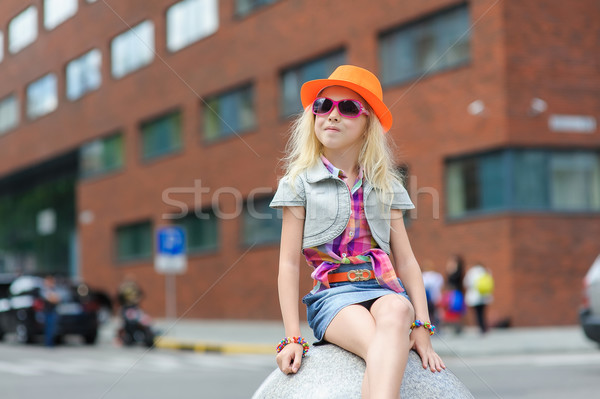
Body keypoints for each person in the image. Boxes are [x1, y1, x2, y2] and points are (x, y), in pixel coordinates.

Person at [270, 65, 445, 398]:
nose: (332, 115)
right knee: (381, 349)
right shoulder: (298, 183)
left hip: (383, 288)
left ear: (367, 125)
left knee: (398, 311)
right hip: (332, 297)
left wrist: (422, 327)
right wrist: (292, 337)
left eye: (348, 108)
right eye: (324, 106)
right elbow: (288, 265)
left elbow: (406, 261)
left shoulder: (385, 184)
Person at [463, 263, 494, 334]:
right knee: (483, 313)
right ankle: (484, 327)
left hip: (474, 297)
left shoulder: (471, 272)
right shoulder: (486, 271)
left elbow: (466, 283)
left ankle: (481, 328)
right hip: (484, 296)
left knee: (478, 313)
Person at [421, 260, 444, 329]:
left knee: (429, 313)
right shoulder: (437, 276)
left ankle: (429, 326)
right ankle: (437, 327)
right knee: (436, 313)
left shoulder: (422, 276)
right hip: (435, 297)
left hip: (426, 299)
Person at [41, 275, 61, 347]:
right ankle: (48, 343)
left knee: (53, 328)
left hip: (53, 311)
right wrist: (53, 298)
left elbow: (57, 299)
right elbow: (50, 299)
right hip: (47, 311)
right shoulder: (44, 290)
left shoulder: (54, 289)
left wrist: (53, 298)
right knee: (48, 328)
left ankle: (51, 342)